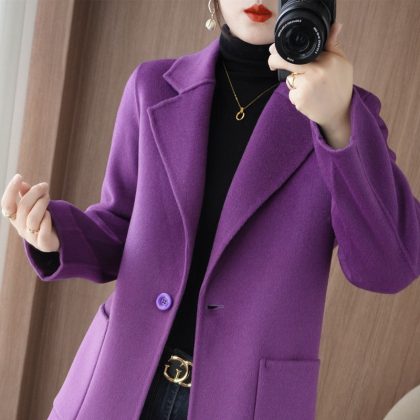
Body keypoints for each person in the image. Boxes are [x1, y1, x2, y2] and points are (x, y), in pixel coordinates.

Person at [2, 1, 419, 419]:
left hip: (246, 404)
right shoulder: (152, 87)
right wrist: (57, 234)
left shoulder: (345, 116)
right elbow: (119, 230)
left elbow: (389, 267)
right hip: (116, 386)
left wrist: (339, 123)